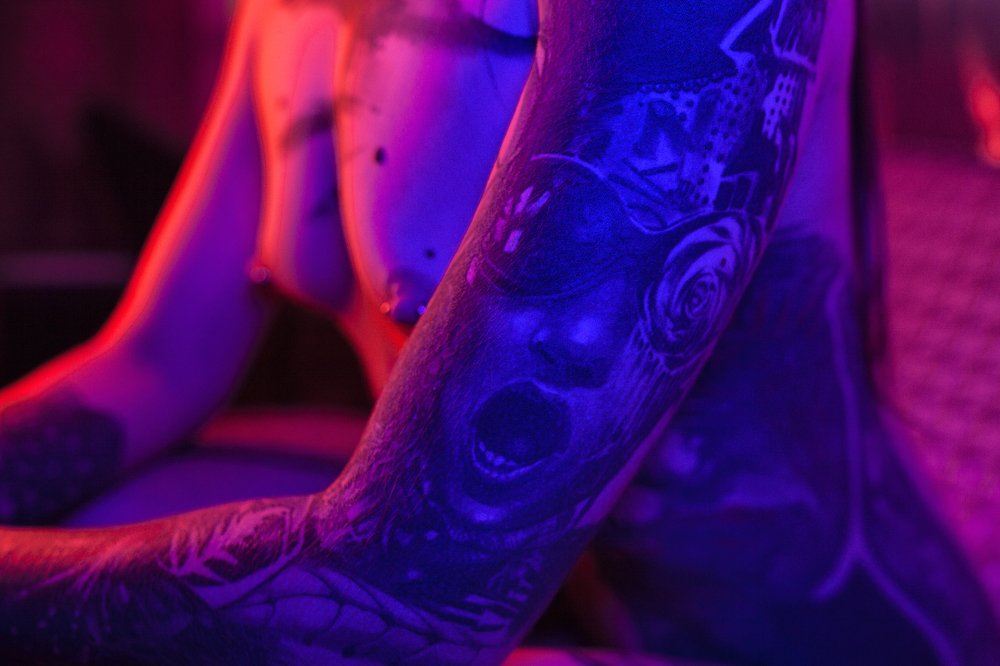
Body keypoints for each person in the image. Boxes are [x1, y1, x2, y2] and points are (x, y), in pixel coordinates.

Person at [0, 0, 997, 664]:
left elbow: (408, 609)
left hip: (783, 649)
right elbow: (149, 366)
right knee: (127, 508)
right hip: (546, 615)